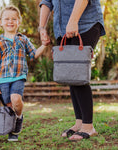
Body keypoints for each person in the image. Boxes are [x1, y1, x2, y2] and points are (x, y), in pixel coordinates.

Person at [39, 0, 105, 141]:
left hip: (85, 24)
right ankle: (79, 122)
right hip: (62, 28)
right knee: (70, 74)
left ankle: (88, 126)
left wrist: (74, 20)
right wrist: (42, 28)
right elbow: (46, 2)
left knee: (77, 73)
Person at [0, 5, 49, 142]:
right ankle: (12, 131)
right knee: (9, 106)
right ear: (1, 22)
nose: (10, 21)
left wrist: (44, 45)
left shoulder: (23, 39)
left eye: (14, 19)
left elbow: (33, 54)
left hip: (18, 77)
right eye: (7, 19)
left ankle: (19, 117)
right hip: (3, 79)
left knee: (16, 99)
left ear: (19, 22)